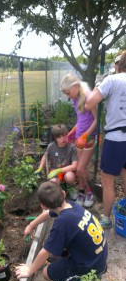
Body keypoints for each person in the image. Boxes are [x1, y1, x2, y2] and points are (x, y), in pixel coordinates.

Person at [15, 181, 108, 281]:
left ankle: (89, 277)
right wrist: (31, 225)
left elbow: (46, 251)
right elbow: (48, 214)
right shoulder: (71, 205)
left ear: (43, 206)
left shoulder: (62, 223)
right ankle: (93, 267)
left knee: (46, 273)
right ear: (63, 194)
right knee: (60, 241)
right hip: (98, 256)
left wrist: (29, 270)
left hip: (89, 265)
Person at [85, 50, 126, 229]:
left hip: (116, 138)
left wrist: (98, 84)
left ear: (118, 65)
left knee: (107, 180)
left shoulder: (112, 80)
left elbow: (89, 103)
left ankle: (107, 218)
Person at [60, 73, 98, 208]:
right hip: (79, 139)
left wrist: (85, 135)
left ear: (75, 86)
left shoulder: (89, 97)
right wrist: (74, 131)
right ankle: (81, 192)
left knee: (81, 168)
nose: (68, 96)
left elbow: (97, 120)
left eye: (68, 92)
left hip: (88, 139)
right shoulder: (76, 98)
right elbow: (81, 120)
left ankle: (89, 193)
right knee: (81, 169)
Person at [34, 124, 78, 199]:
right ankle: (59, 192)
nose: (63, 139)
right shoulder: (51, 146)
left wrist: (60, 170)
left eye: (64, 136)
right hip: (54, 170)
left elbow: (74, 166)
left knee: (69, 177)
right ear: (55, 138)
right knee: (53, 182)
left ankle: (70, 188)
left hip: (68, 171)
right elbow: (45, 156)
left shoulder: (72, 147)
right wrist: (40, 168)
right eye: (59, 137)